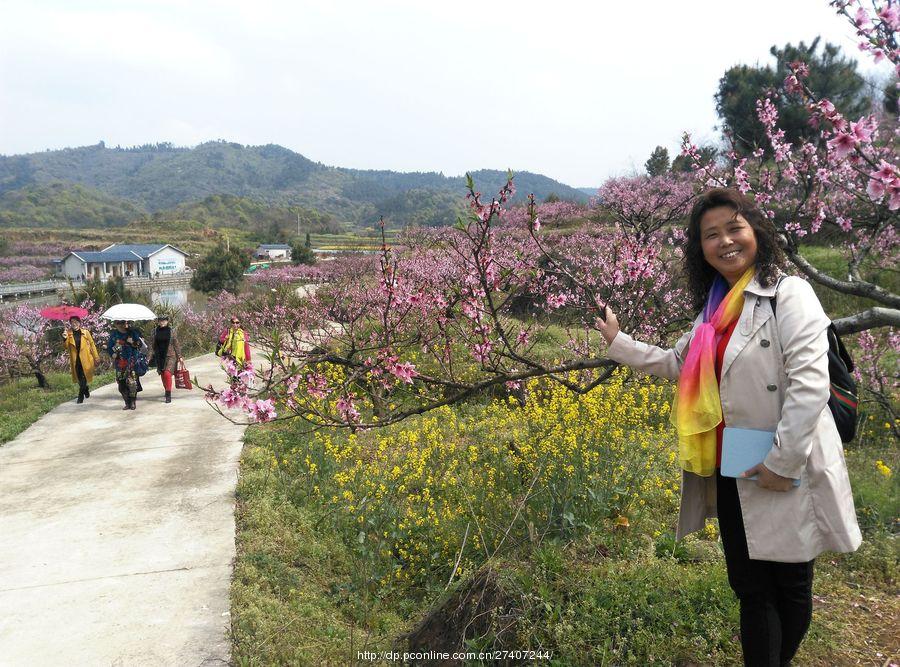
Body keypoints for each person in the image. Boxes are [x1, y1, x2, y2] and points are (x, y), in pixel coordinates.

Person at [596, 189, 861, 666]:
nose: (725, 242)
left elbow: (809, 384)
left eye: (734, 229)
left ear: (755, 231)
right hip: (733, 464)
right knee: (751, 589)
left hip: (787, 463)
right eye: (710, 235)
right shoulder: (713, 310)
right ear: (701, 249)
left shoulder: (789, 293)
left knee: (792, 584)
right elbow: (677, 362)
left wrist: (781, 463)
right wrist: (620, 342)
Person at [63, 315, 100, 404]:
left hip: (86, 359)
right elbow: (65, 347)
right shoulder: (68, 333)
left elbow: (92, 344)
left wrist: (96, 357)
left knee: (84, 376)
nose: (74, 324)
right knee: (80, 378)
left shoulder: (85, 332)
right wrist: (64, 339)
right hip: (76, 360)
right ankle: (85, 388)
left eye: (76, 322)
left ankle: (80, 396)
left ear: (79, 323)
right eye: (72, 322)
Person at [107, 320, 143, 410]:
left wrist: (132, 342)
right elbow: (109, 347)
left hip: (132, 361)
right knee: (121, 384)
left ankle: (133, 402)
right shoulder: (114, 335)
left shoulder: (133, 332)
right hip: (120, 362)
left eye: (123, 323)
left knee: (132, 383)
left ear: (126, 323)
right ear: (115, 324)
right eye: (118, 323)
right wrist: (113, 354)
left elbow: (140, 344)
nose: (121, 325)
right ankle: (127, 401)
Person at [148, 315, 183, 404]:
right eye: (160, 320)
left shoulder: (172, 331)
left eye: (164, 320)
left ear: (167, 321)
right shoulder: (154, 332)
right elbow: (151, 346)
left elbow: (176, 344)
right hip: (159, 356)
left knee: (167, 374)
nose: (162, 322)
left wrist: (180, 356)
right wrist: (148, 357)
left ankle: (168, 394)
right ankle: (166, 389)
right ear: (158, 322)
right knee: (163, 375)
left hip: (171, 356)